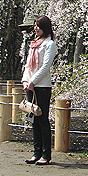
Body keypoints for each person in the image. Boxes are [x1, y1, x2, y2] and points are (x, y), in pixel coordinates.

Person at [22, 15, 57, 165]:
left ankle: (45, 154)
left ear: (45, 27)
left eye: (38, 25)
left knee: (42, 119)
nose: (35, 28)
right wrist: (25, 80)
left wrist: (33, 81)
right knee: (34, 119)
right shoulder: (33, 44)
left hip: (42, 86)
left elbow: (45, 66)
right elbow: (28, 65)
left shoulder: (49, 44)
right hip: (30, 85)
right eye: (35, 25)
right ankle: (36, 152)